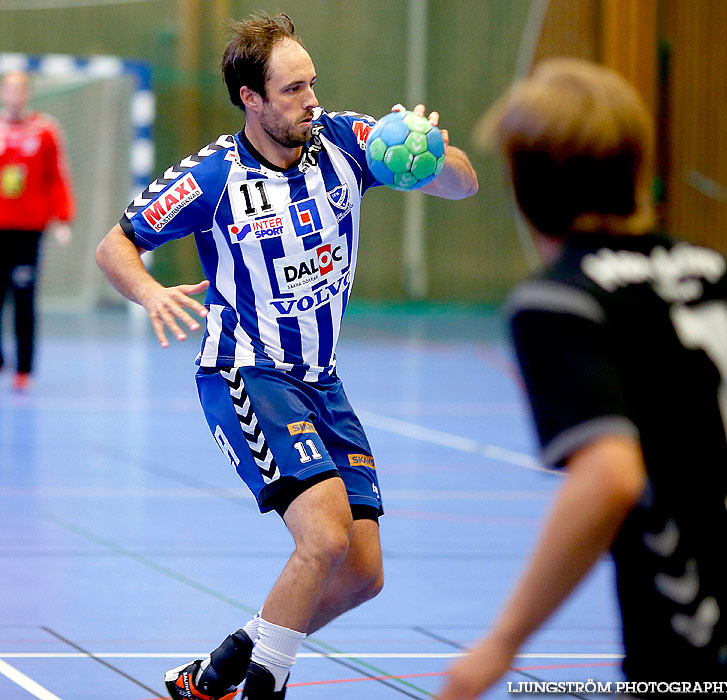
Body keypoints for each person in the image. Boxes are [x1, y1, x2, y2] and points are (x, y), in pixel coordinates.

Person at [96, 13, 477, 700]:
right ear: (251, 98)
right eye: (294, 89)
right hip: (246, 373)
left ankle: (224, 664)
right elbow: (114, 245)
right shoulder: (213, 177)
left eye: (313, 83)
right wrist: (150, 293)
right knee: (325, 536)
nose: (311, 101)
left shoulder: (345, 140)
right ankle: (261, 690)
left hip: (321, 383)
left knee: (362, 574)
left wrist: (425, 150)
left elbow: (463, 184)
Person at [436, 58, 727, 700]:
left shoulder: (562, 302)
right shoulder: (721, 272)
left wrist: (500, 646)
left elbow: (610, 474)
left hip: (700, 642)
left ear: (524, 189)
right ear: (639, 169)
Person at [0, 71, 75, 391]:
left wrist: (62, 218)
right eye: (9, 89)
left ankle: (24, 369)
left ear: (27, 93)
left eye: (20, 89)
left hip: (28, 230)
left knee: (23, 298)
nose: (14, 95)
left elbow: (56, 177)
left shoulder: (45, 131)